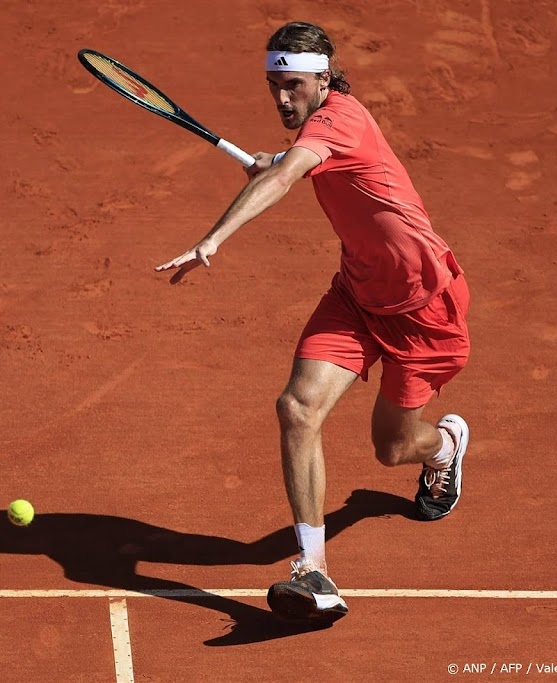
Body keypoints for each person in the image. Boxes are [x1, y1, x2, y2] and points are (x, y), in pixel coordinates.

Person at [156, 21, 471, 621]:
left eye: (293, 85)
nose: (281, 98)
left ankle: (443, 449)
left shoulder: (339, 118)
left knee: (394, 447)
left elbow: (286, 173)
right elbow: (295, 165)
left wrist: (213, 238)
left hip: (424, 307)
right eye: (274, 84)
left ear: (325, 80)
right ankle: (312, 569)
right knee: (296, 408)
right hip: (355, 294)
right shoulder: (321, 128)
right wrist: (281, 161)